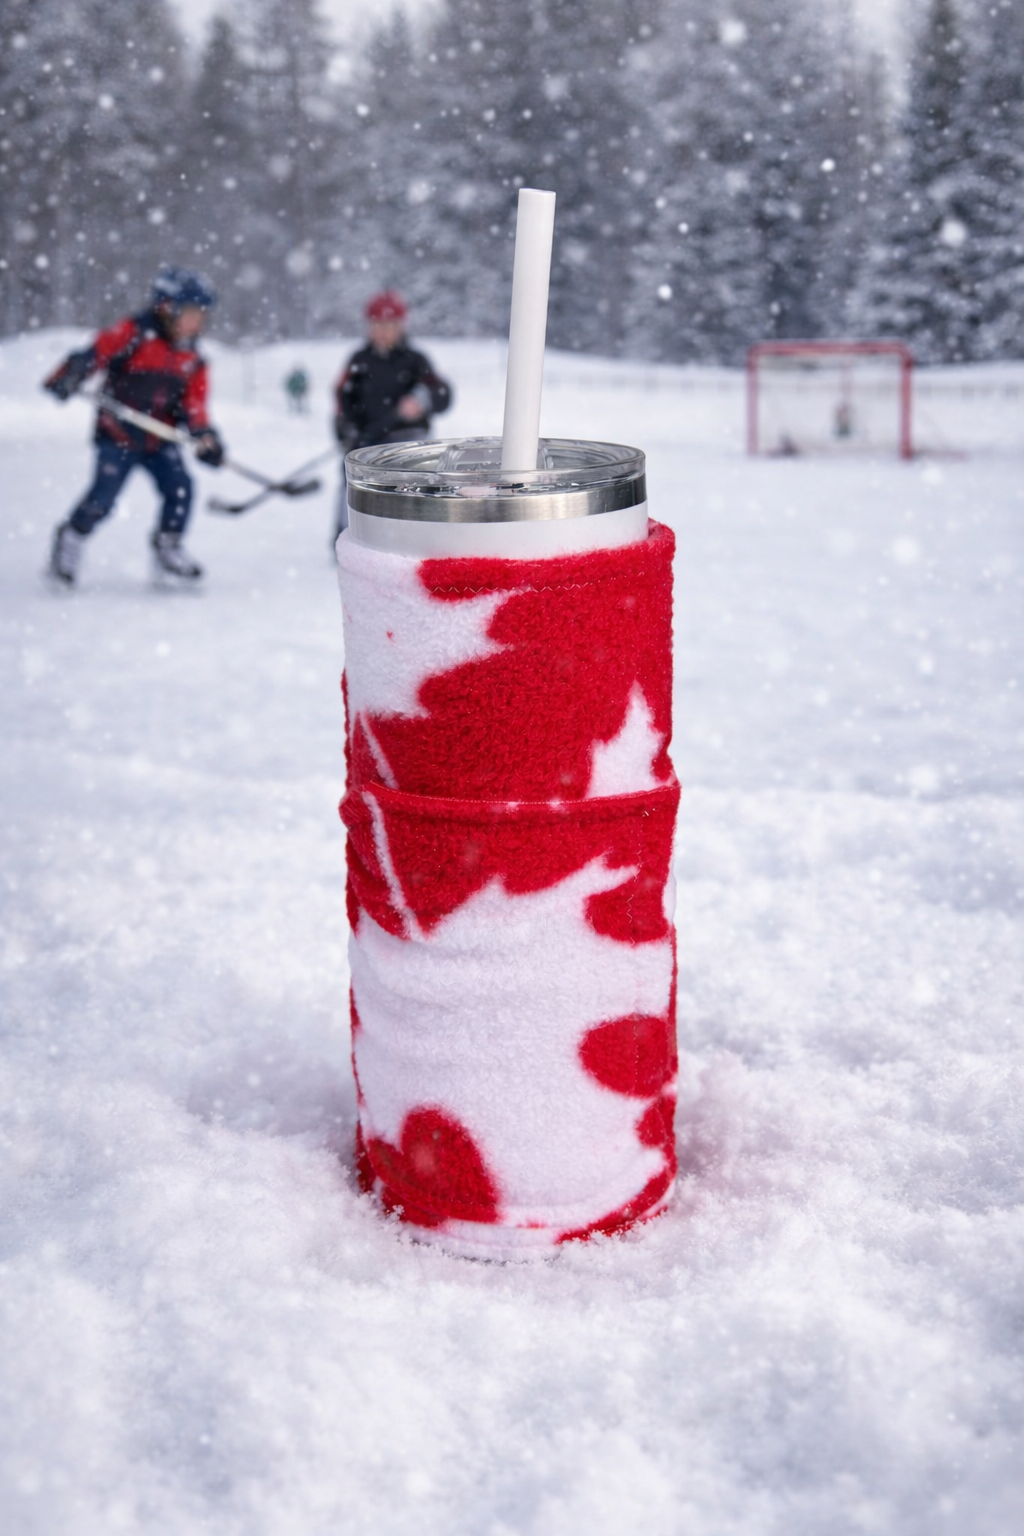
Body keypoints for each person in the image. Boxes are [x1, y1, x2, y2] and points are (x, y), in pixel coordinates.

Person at [44, 265, 226, 586]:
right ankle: (71, 537)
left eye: (202, 315)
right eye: (192, 313)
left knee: (180, 487)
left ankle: (167, 547)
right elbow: (95, 353)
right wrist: (69, 375)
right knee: (103, 497)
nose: (199, 322)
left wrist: (205, 437)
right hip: (118, 434)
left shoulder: (193, 359)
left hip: (160, 441)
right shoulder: (135, 333)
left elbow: (194, 406)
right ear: (167, 308)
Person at [333, 291, 452, 537]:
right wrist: (347, 430)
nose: (382, 331)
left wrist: (422, 401)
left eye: (389, 325)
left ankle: (414, 535)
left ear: (400, 326)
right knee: (353, 485)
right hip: (366, 443)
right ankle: (349, 534)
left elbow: (442, 393)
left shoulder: (415, 360)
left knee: (409, 486)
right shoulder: (359, 361)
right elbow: (342, 401)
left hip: (408, 442)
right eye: (376, 324)